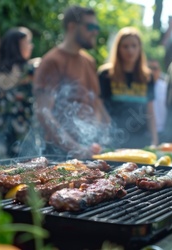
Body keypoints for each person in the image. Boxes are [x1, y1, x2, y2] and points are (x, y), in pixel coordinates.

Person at [33, 5, 110, 158]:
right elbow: (43, 111)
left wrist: (107, 136)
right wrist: (76, 148)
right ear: (72, 26)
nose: (95, 31)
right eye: (90, 26)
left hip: (89, 146)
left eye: (97, 27)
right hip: (59, 153)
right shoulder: (52, 61)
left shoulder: (89, 61)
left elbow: (96, 102)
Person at [0, 27, 38, 160]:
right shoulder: (30, 71)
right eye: (28, 42)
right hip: (23, 141)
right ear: (18, 45)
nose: (31, 46)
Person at [98, 27, 157, 148]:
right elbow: (99, 106)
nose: (130, 50)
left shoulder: (147, 77)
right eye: (125, 46)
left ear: (140, 48)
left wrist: (155, 141)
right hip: (113, 139)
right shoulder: (106, 74)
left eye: (134, 46)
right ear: (118, 49)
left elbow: (150, 111)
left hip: (141, 140)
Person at [148, 59, 168, 139]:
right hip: (146, 132)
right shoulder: (141, 88)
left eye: (155, 68)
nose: (152, 72)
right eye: (150, 68)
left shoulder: (166, 88)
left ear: (159, 70)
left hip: (163, 131)